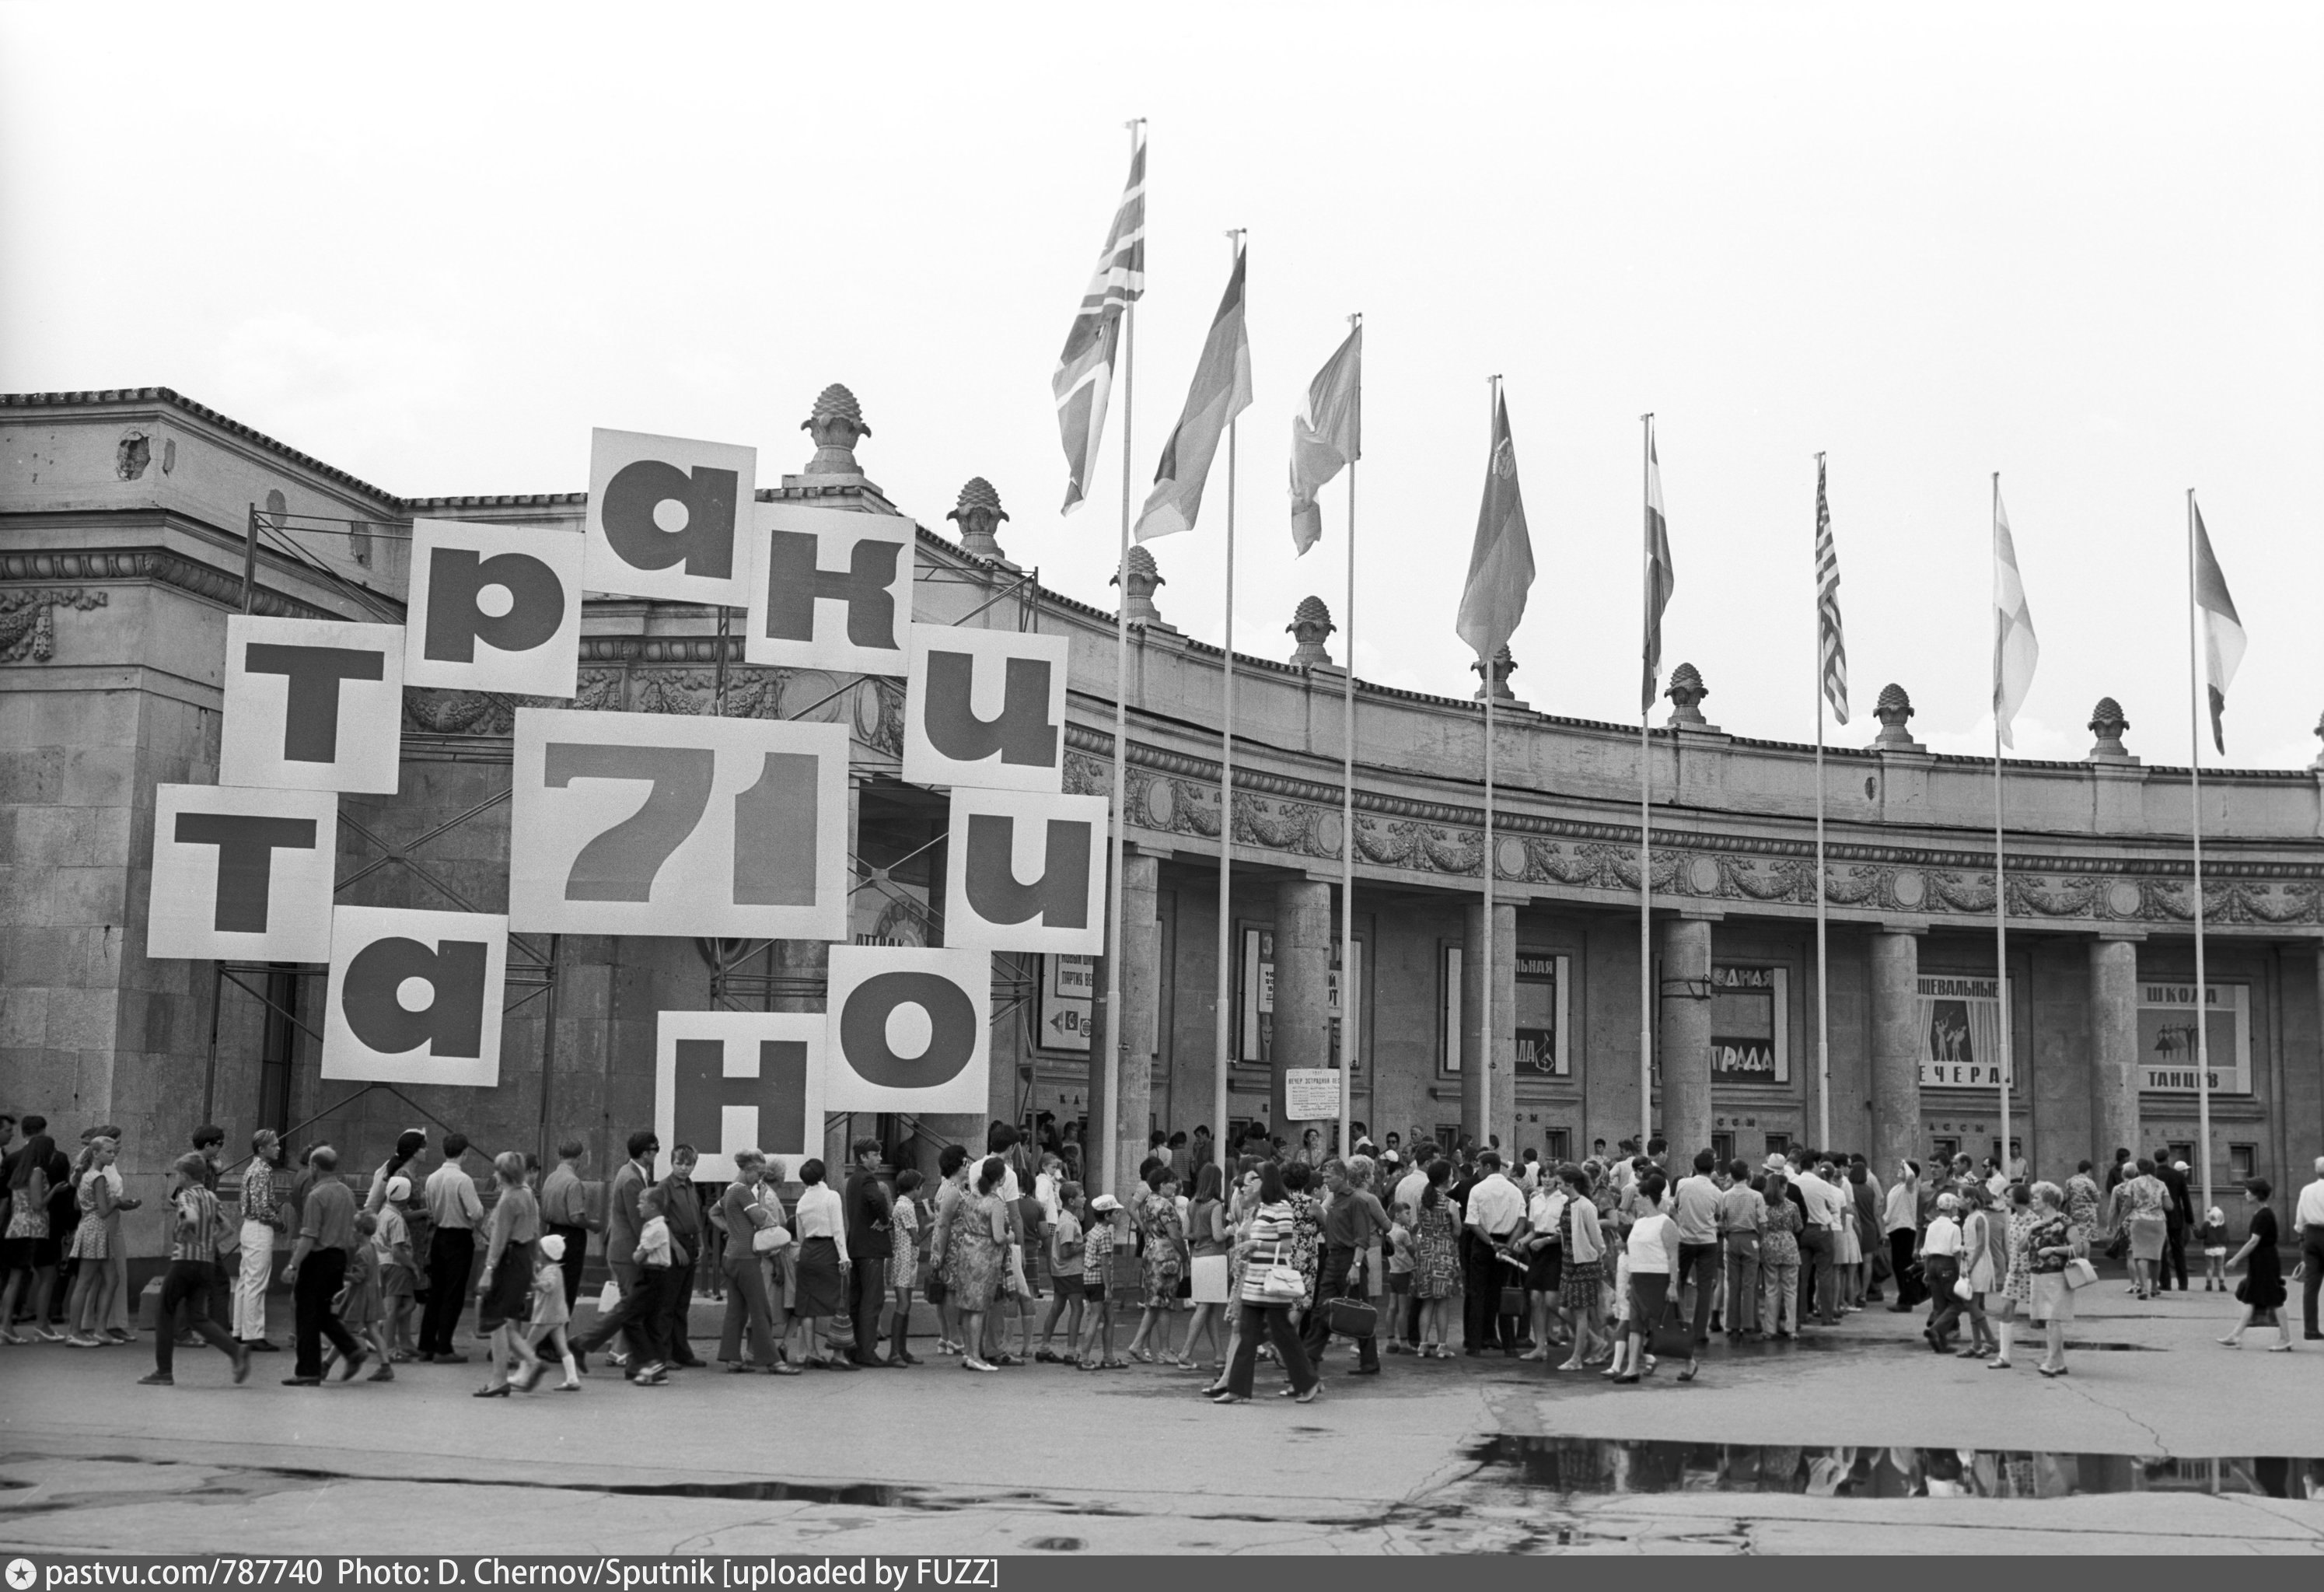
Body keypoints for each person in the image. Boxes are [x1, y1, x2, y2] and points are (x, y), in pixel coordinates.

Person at [138, 1153, 250, 1387]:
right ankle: (235, 1351)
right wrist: (208, 1243)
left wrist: (188, 1233)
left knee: (165, 1312)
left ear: (186, 1176)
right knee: (197, 1316)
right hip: (206, 1263)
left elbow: (190, 1215)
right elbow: (228, 1227)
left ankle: (164, 1371)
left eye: (179, 1174)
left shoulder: (186, 1196)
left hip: (184, 1261)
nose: (178, 1178)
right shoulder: (210, 1196)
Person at [1214, 1161, 1322, 1405]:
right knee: (1248, 1333)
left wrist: (1257, 1245)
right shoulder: (1262, 1208)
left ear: (1266, 1181)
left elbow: (1286, 1245)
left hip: (1272, 1283)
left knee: (1282, 1334)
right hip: (1254, 1280)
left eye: (1254, 1179)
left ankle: (1308, 1381)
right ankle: (1237, 1388)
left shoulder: (1281, 1207)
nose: (1249, 1184)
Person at [572, 1131, 659, 1375]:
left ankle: (631, 1361)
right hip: (627, 1251)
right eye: (656, 1149)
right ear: (645, 1153)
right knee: (631, 1306)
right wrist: (652, 1247)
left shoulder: (631, 1172)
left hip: (623, 1250)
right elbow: (638, 1220)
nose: (657, 1153)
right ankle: (585, 1344)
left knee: (630, 1306)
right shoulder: (632, 1178)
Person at [280, 1146, 365, 1386]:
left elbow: (309, 1237)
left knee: (306, 1315)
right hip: (338, 1258)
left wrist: (292, 1265)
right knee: (323, 1312)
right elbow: (351, 1234)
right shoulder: (347, 1193)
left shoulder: (316, 1196)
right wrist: (348, 1264)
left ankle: (308, 1371)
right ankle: (351, 1350)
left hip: (317, 1259)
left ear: (314, 1167)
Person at [1305, 1155, 1390, 1377]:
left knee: (1358, 1311)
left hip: (1351, 1260)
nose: (1325, 1181)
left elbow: (1362, 1237)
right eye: (1324, 1177)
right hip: (1334, 1259)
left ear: (1342, 1177)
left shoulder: (1356, 1201)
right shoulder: (1334, 1200)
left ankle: (1369, 1362)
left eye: (1329, 1177)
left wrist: (1356, 1265)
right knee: (1322, 1309)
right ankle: (1309, 1361)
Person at [474, 1150, 545, 1395]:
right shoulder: (528, 1195)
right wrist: (535, 1264)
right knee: (505, 1321)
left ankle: (501, 1378)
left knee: (496, 1319)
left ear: (503, 1174)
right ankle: (526, 1363)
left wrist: (488, 1270)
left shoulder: (508, 1200)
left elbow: (498, 1239)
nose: (494, 1174)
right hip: (524, 1257)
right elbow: (536, 1231)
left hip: (509, 1260)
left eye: (496, 1170)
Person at [715, 1149, 787, 1375]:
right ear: (748, 1170)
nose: (761, 1179)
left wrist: (732, 1231)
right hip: (746, 1258)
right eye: (759, 1173)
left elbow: (713, 1213)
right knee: (761, 1309)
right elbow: (761, 1219)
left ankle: (732, 1359)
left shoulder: (729, 1190)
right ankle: (773, 1361)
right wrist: (763, 1200)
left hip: (731, 1256)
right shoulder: (744, 1192)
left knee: (736, 1310)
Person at [418, 1133, 484, 1362]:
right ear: (464, 1152)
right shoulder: (463, 1180)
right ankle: (444, 1347)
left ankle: (427, 1344)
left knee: (436, 1291)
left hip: (439, 1235)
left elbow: (429, 1209)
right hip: (459, 1237)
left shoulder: (432, 1178)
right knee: (453, 1294)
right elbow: (476, 1212)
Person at [0, 1119, 67, 1343]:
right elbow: (38, 1204)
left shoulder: (17, 1168)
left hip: (16, 1227)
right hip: (35, 1230)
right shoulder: (38, 1171)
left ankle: (6, 1326)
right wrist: (54, 1191)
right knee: (48, 1276)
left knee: (14, 1279)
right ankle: (41, 1325)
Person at [1613, 1171, 1683, 1384]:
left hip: (1659, 1279)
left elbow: (1673, 1256)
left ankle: (1689, 1361)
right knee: (1635, 1324)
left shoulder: (1666, 1223)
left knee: (1668, 1326)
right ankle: (1632, 1369)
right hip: (1639, 1279)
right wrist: (1629, 1282)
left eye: (1637, 1197)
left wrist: (1672, 1285)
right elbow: (1634, 1251)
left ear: (1646, 1198)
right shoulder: (1639, 1223)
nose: (1634, 1200)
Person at [788, 1157, 852, 1371]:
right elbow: (838, 1230)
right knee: (839, 1303)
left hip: (808, 1253)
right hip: (828, 1251)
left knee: (808, 1306)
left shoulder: (801, 1203)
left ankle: (811, 1352)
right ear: (824, 1175)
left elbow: (800, 1234)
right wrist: (844, 1257)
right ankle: (839, 1354)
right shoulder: (832, 1197)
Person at [1463, 1150, 1525, 1356]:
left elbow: (1472, 1223)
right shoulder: (1514, 1190)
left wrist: (1491, 1243)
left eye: (1479, 1166)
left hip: (1483, 1243)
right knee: (1503, 1294)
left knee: (1478, 1294)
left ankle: (1474, 1345)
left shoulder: (1478, 1190)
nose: (1477, 1170)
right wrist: (1508, 1244)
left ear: (1488, 1166)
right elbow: (1521, 1222)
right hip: (1506, 1243)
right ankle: (1510, 1345)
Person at [2217, 1177, 2293, 1351]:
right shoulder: (2262, 1213)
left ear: (2257, 1194)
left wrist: (2235, 1259)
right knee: (2250, 1297)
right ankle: (2235, 1336)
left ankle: (2286, 1338)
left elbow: (2254, 1241)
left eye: (2248, 1191)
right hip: (2262, 1260)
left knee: (2275, 1299)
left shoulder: (2264, 1215)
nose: (2245, 1193)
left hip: (2265, 1262)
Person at [1123, 1164, 1186, 1364]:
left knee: (1154, 1303)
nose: (1174, 1186)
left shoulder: (1149, 1202)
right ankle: (1162, 1349)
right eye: (1171, 1183)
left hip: (1150, 1251)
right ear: (1161, 1184)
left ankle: (1140, 1344)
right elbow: (1175, 1235)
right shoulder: (1165, 1206)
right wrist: (1185, 1256)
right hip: (1166, 1256)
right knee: (1164, 1304)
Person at [840, 1135, 895, 1368]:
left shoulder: (853, 1179)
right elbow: (878, 1200)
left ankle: (854, 1348)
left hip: (856, 1246)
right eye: (875, 1155)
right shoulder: (868, 1179)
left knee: (857, 1300)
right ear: (863, 1157)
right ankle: (867, 1351)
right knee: (872, 1301)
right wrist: (885, 1220)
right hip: (871, 1248)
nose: (880, 1159)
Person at [230, 1130, 285, 1349]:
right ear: (262, 1149)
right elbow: (263, 1208)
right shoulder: (262, 1171)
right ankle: (253, 1334)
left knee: (247, 1279)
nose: (278, 1148)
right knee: (256, 1282)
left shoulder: (252, 1169)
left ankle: (240, 1329)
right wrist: (279, 1223)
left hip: (249, 1227)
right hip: (260, 1228)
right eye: (274, 1145)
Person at [63, 1136, 119, 1347]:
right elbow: (104, 1211)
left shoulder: (85, 1175)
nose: (113, 1155)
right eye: (109, 1152)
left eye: (114, 1151)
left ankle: (98, 1331)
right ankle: (75, 1332)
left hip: (90, 1227)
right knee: (86, 1282)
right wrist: (115, 1202)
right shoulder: (98, 1178)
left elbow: (78, 1205)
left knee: (110, 1279)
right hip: (96, 1229)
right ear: (96, 1153)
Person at [656, 1145, 706, 1369]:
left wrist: (702, 1243)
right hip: (674, 1243)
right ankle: (663, 1353)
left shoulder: (691, 1186)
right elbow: (661, 1220)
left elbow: (696, 1217)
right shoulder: (665, 1187)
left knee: (682, 1303)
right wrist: (676, 1247)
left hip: (691, 1241)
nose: (684, 1169)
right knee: (667, 1302)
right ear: (672, 1163)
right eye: (679, 1163)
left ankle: (681, 1351)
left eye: (689, 1164)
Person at [1554, 1163, 1607, 1372]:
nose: (1558, 1186)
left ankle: (1577, 1357)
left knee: (1579, 1313)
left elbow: (1596, 1237)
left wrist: (1598, 1256)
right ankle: (1594, 1342)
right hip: (1571, 1262)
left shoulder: (1585, 1206)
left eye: (1560, 1183)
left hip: (1584, 1262)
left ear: (1570, 1183)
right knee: (1565, 1309)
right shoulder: (1570, 1204)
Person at [625, 1184, 680, 1385]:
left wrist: (638, 1253)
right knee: (651, 1324)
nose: (639, 1206)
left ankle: (650, 1362)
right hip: (657, 1275)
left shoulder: (656, 1228)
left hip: (652, 1276)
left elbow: (638, 1257)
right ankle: (659, 1370)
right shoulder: (654, 1226)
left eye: (642, 1203)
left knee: (631, 1318)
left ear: (654, 1207)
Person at [2024, 1181, 2078, 1377]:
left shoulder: (2064, 1221)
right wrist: (2030, 1229)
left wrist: (2054, 1249)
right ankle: (2059, 1363)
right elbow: (2022, 1247)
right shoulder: (2036, 1221)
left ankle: (2052, 1362)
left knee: (2053, 1320)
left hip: (2057, 1274)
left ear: (2047, 1200)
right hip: (2038, 1274)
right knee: (2049, 1320)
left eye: (2036, 1197)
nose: (2033, 1201)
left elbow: (2077, 1249)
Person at [537, 1139, 599, 1313]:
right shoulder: (573, 1182)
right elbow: (576, 1217)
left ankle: (548, 1332)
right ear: (579, 1157)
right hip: (571, 1238)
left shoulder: (550, 1179)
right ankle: (560, 1330)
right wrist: (592, 1225)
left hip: (551, 1233)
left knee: (552, 1284)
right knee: (568, 1287)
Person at [1671, 1149, 1723, 1354]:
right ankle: (1700, 1331)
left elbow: (1675, 1205)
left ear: (1694, 1167)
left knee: (1679, 1282)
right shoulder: (1717, 1192)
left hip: (1685, 1239)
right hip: (1708, 1241)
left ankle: (1679, 1323)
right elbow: (1718, 1215)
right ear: (1713, 1170)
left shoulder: (1683, 1184)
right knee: (1704, 1287)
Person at [1179, 1163, 1228, 1370]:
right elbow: (1218, 1235)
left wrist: (1200, 1233)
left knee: (1209, 1307)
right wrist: (1231, 1230)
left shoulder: (1192, 1204)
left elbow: (1187, 1234)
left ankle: (1220, 1354)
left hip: (1198, 1256)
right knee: (1206, 1307)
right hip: (1214, 1257)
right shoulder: (1216, 1205)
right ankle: (1186, 1353)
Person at [1412, 1160, 1461, 1357]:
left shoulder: (1422, 1201)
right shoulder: (1449, 1204)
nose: (1452, 1178)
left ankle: (1423, 1344)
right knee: (1442, 1302)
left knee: (1427, 1302)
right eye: (1450, 1175)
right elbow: (1457, 1230)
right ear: (1444, 1178)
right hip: (1444, 1253)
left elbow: (1421, 1226)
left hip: (1424, 1253)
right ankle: (1442, 1345)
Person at [1519, 1165, 1568, 1359]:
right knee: (1535, 1299)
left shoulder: (1564, 1200)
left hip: (1556, 1249)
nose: (1547, 1180)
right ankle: (1540, 1346)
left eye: (1551, 1176)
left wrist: (1546, 1241)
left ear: (1557, 1179)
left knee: (1551, 1300)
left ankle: (1586, 1333)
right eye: (1544, 1176)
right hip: (1538, 1250)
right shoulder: (1536, 1200)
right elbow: (1533, 1230)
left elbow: (1566, 1232)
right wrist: (1523, 1242)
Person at [338, 1210, 393, 1382]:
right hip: (372, 1294)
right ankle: (386, 1366)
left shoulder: (361, 1253)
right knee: (374, 1331)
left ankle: (326, 1365)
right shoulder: (372, 1249)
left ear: (360, 1231)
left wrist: (343, 1275)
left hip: (360, 1297)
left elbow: (359, 1276)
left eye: (354, 1228)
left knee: (343, 1333)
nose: (352, 1231)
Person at [1036, 1179, 1086, 1363]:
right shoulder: (1068, 1223)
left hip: (1060, 1271)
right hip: (1070, 1271)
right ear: (1072, 1201)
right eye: (1081, 1196)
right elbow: (1066, 1252)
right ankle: (1071, 1351)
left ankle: (1044, 1347)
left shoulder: (1066, 1218)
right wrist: (1085, 1246)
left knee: (1057, 1307)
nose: (1085, 1199)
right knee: (1077, 1308)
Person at [1717, 1157, 1766, 1341]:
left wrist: (1729, 1236)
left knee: (1733, 1283)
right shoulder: (1756, 1196)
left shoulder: (1725, 1196)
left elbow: (1720, 1222)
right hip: (1751, 1237)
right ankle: (1749, 1323)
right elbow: (1762, 1222)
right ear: (1747, 1175)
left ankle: (1732, 1324)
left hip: (1733, 1237)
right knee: (1749, 1284)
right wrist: (1760, 1240)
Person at [2107, 1158, 2169, 1300]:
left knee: (2140, 1255)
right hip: (2158, 1222)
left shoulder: (2132, 1184)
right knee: (2156, 1256)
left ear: (2139, 1170)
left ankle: (2144, 1289)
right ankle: (2154, 1286)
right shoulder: (2161, 1184)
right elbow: (2169, 1205)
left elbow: (2127, 1205)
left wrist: (2120, 1220)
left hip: (2139, 1221)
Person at [1992, 1181, 2038, 1370]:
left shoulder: (2034, 1220)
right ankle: (2004, 1355)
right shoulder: (2011, 1219)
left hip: (2032, 1271)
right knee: (2006, 1306)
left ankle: (2054, 1355)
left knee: (2042, 1315)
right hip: (2015, 1271)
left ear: (2018, 1198)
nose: (2005, 1199)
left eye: (2009, 1196)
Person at [373, 1177, 417, 1362]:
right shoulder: (396, 1219)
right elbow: (398, 1251)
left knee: (406, 1305)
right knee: (393, 1310)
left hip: (382, 1264)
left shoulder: (383, 1213)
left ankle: (383, 1331)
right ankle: (389, 1348)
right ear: (405, 1198)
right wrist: (413, 1266)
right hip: (396, 1266)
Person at [1077, 1191, 1123, 1370]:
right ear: (1107, 1215)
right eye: (1116, 1213)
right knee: (1095, 1318)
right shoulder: (1104, 1235)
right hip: (1098, 1281)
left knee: (1110, 1318)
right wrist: (1108, 1288)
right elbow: (1105, 1263)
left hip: (1089, 1279)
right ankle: (1084, 1357)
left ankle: (1109, 1357)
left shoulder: (1094, 1231)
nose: (1119, 1215)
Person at [529, 1233, 581, 1390]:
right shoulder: (556, 1269)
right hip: (559, 1316)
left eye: (539, 1251)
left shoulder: (550, 1271)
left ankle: (523, 1376)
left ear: (546, 1254)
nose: (537, 1254)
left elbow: (547, 1286)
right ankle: (572, 1379)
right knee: (562, 1348)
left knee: (527, 1345)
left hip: (546, 1316)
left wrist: (534, 1284)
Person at [1920, 1193, 1967, 1353]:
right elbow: (1956, 1251)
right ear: (1953, 1208)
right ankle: (1936, 1330)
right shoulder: (1954, 1228)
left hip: (1932, 1263)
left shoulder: (1932, 1226)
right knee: (1956, 1303)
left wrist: (1927, 1271)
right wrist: (1962, 1272)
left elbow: (1926, 1251)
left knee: (1939, 1305)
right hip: (1947, 1265)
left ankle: (1941, 1343)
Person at [1760, 1171, 1802, 1340]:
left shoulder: (1764, 1206)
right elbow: (1798, 1227)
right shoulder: (1792, 1206)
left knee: (1771, 1290)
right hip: (1789, 1247)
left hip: (1769, 1246)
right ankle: (1791, 1328)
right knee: (1790, 1290)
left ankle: (1769, 1328)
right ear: (1783, 1187)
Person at [1883, 1160, 1924, 1311]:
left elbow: (1912, 1176)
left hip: (1906, 1228)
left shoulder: (1910, 1187)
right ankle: (1905, 1296)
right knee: (1898, 1265)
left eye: (1902, 1169)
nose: (1899, 1170)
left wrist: (1905, 1163)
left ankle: (1906, 1301)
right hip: (1895, 1229)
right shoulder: (1897, 1188)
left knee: (1904, 1265)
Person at [2155, 1150, 2194, 1293]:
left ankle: (2165, 1282)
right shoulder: (2178, 1175)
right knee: (2178, 1250)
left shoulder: (2154, 1176)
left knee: (2161, 1250)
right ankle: (2183, 1283)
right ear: (2168, 1159)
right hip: (2176, 1216)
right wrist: (2190, 1219)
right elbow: (2185, 1199)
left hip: (2158, 1216)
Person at [2298, 1156, 2324, 1341]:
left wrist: (2301, 1233)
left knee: (2311, 1285)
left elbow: (2300, 1219)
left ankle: (2311, 1329)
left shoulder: (2307, 1190)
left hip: (2311, 1235)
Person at [2197, 1204, 2229, 1292]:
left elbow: (2200, 1235)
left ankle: (2209, 1285)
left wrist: (2195, 1230)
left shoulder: (2206, 1224)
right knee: (2220, 1268)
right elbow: (2227, 1238)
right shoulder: (2223, 1225)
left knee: (2210, 1268)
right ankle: (2222, 1285)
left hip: (2209, 1249)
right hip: (2220, 1249)